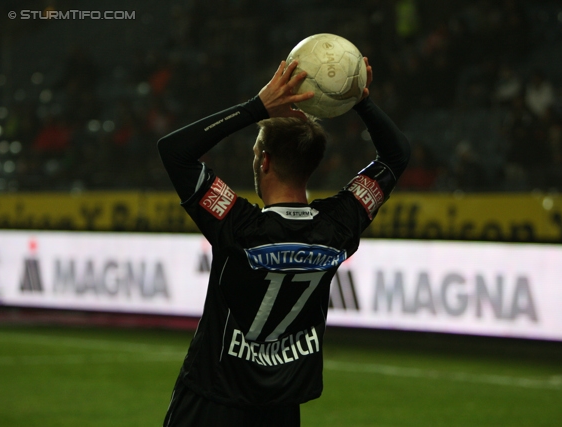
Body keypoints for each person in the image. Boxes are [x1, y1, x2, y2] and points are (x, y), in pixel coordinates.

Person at [157, 58, 410, 426]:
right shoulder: (337, 227)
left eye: (256, 151)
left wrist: (255, 108)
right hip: (280, 409)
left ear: (265, 162)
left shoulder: (237, 226)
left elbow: (174, 150)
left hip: (212, 403)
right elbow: (396, 154)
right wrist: (356, 99)